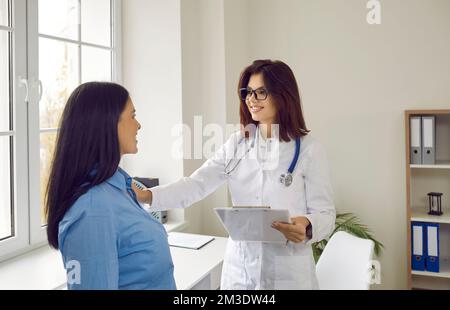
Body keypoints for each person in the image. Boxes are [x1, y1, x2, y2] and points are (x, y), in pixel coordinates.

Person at [134, 59, 336, 289]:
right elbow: (196, 184)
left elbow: (326, 214)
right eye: (248, 92)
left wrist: (307, 224)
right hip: (241, 271)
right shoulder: (236, 144)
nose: (251, 99)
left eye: (261, 92)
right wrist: (147, 196)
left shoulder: (309, 149)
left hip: (288, 273)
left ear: (283, 95)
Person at [45, 82, 176, 290]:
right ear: (107, 124)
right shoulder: (92, 209)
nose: (138, 125)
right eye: (132, 116)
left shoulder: (120, 186)